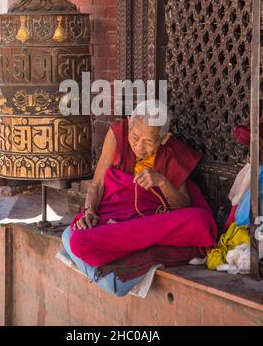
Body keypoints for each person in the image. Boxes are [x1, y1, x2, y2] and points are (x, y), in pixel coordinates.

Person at [62, 100, 217, 296]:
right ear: (129, 123)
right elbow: (98, 183)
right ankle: (110, 272)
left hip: (149, 221)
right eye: (135, 137)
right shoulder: (117, 134)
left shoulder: (171, 151)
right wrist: (90, 211)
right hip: (115, 218)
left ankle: (100, 263)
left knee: (199, 221)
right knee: (76, 238)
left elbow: (184, 205)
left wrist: (162, 182)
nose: (139, 147)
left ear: (163, 138)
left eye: (149, 141)